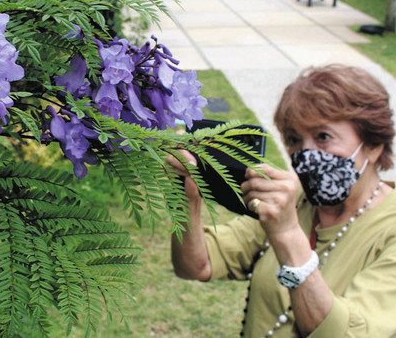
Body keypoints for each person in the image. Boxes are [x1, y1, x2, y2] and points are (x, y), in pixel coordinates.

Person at [169, 64, 396, 337]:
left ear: (373, 145)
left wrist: (288, 233)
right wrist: (187, 198)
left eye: (323, 137)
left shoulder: (388, 229)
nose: (305, 154)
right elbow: (197, 265)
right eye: (294, 139)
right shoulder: (298, 200)